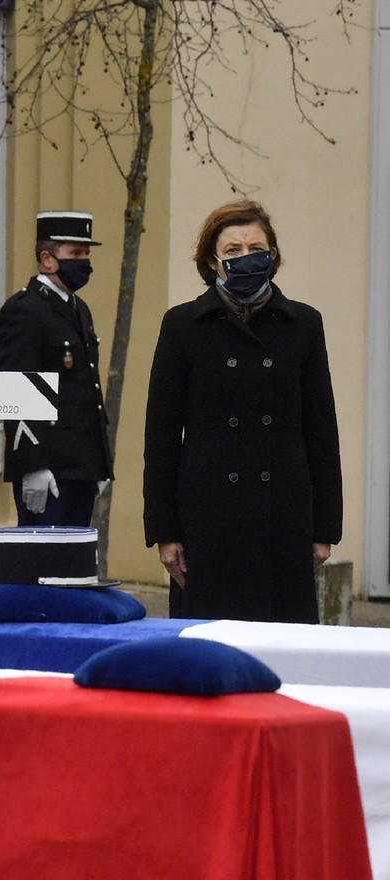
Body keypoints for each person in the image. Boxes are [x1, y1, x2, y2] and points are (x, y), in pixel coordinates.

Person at [143, 199, 342, 623]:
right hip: (208, 516)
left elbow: (322, 430)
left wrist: (325, 530)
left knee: (283, 649)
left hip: (283, 514)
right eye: (232, 250)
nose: (245, 257)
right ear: (213, 262)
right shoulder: (182, 326)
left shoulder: (304, 324)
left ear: (272, 256)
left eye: (256, 248)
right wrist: (165, 532)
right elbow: (161, 437)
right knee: (209, 647)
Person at [0, 210, 113, 525]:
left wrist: (99, 462)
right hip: (49, 468)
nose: (84, 261)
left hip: (82, 465)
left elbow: (87, 389)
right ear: (47, 259)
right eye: (75, 253)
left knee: (73, 568)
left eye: (86, 253)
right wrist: (31, 465)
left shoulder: (78, 309)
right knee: (43, 566)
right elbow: (17, 389)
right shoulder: (25, 310)